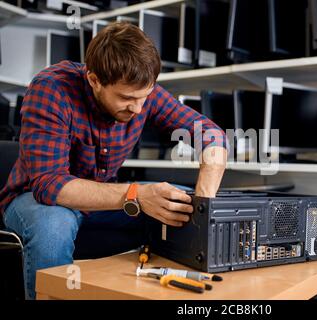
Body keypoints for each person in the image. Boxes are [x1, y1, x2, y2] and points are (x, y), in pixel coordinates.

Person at [0, 22, 228, 299]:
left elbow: (212, 135)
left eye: (145, 97)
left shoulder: (141, 92)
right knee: (54, 226)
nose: (138, 108)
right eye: (126, 98)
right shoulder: (52, 90)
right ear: (94, 79)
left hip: (101, 201)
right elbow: (50, 185)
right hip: (35, 200)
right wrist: (136, 194)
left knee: (181, 202)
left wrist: (203, 203)